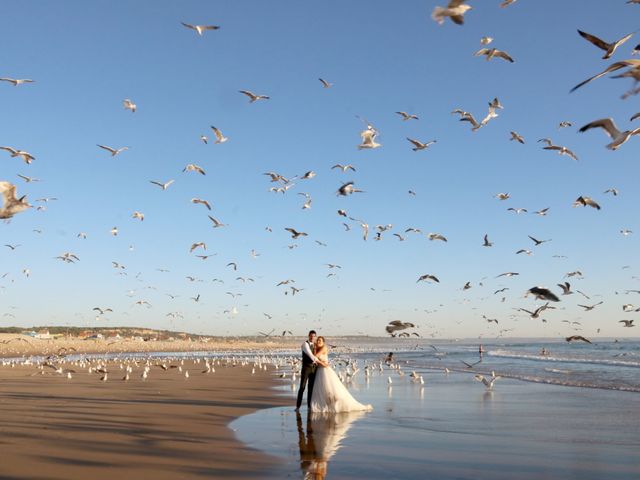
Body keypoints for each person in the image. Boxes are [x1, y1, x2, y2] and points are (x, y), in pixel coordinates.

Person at [309, 336, 372, 413]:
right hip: (320, 370)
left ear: (323, 342)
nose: (318, 342)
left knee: (332, 389)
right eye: (318, 340)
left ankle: (337, 404)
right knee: (323, 390)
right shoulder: (318, 348)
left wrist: (316, 351)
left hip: (325, 371)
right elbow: (314, 358)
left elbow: (315, 357)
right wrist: (316, 350)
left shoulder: (324, 348)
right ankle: (329, 405)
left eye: (320, 340)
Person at [296, 330, 318, 411]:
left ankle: (309, 406)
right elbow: (310, 355)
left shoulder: (316, 345)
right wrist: (318, 361)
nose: (312, 337)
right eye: (311, 336)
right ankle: (298, 406)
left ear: (315, 337)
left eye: (314, 336)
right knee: (302, 387)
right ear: (308, 336)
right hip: (306, 368)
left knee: (311, 388)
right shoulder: (305, 344)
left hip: (314, 369)